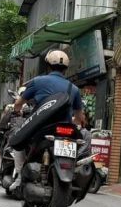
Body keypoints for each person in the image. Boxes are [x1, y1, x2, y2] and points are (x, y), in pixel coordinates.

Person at [9, 50, 85, 190]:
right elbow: (79, 117)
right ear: (66, 68)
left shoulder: (38, 81)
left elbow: (18, 104)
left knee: (18, 140)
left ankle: (19, 176)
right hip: (65, 130)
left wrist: (17, 111)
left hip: (40, 127)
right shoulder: (73, 88)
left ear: (48, 66)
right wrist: (76, 122)